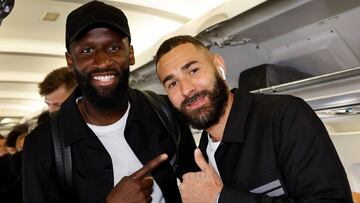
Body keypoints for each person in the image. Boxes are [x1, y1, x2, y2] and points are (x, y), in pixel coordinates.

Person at [22, 2, 197, 203]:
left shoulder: (165, 111)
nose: (103, 61)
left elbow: (197, 185)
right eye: (87, 51)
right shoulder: (42, 145)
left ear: (130, 54)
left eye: (113, 47)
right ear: (70, 61)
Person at [155, 35, 353, 202]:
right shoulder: (203, 152)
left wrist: (219, 197)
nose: (186, 89)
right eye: (172, 83)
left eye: (193, 71)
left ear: (218, 65)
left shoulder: (284, 116)